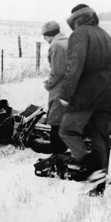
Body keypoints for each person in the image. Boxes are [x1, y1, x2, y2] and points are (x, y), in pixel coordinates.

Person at [59, 4, 111, 195]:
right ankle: (99, 186)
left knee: (67, 130)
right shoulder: (105, 35)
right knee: (101, 139)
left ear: (75, 19)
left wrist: (66, 93)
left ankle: (91, 167)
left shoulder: (79, 34)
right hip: (108, 93)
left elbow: (74, 67)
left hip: (86, 94)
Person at [41, 21, 69, 154]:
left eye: (44, 36)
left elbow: (58, 72)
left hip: (62, 87)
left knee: (55, 121)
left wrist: (48, 84)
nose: (44, 39)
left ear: (48, 34)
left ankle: (58, 156)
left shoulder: (56, 46)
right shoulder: (67, 41)